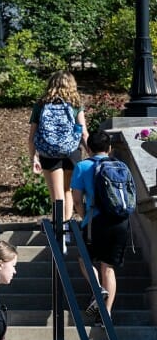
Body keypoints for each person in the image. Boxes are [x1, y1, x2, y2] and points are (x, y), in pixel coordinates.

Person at [71, 130, 131, 324]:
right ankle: (106, 314)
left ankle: (98, 289)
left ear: (88, 148)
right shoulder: (121, 166)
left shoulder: (82, 166)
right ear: (110, 148)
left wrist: (85, 217)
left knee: (84, 258)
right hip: (120, 221)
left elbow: (77, 200)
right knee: (108, 267)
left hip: (96, 222)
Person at [29, 70, 87, 241]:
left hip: (49, 152)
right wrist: (92, 153)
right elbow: (83, 133)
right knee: (67, 190)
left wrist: (34, 157)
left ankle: (59, 232)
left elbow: (32, 136)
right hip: (72, 151)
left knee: (56, 194)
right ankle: (66, 229)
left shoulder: (41, 104)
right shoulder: (75, 103)